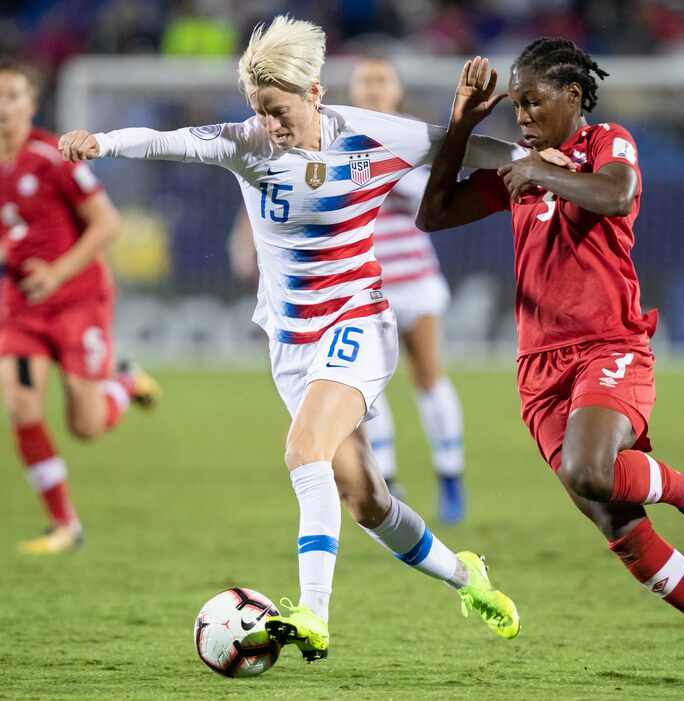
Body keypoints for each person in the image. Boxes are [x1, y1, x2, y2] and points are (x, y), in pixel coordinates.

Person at [59, 16, 522, 661]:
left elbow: (464, 149)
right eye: (259, 112)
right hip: (292, 343)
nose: (270, 125)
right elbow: (163, 141)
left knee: (303, 450)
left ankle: (313, 612)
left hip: (358, 319)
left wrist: (540, 163)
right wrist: (101, 143)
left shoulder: (371, 134)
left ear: (313, 92)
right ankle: (467, 577)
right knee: (365, 499)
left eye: (278, 111)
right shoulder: (247, 143)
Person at [416, 41, 684, 684]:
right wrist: (464, 125)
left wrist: (543, 171)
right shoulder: (519, 169)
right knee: (610, 513)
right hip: (538, 368)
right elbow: (433, 213)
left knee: (589, 466)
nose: (521, 115)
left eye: (533, 101)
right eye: (516, 104)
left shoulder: (605, 143)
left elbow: (618, 193)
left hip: (610, 346)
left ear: (574, 96)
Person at [228, 55, 467, 523]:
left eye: (383, 79)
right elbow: (277, 179)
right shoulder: (333, 135)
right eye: (366, 81)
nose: (375, 88)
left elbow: (434, 193)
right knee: (362, 395)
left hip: (411, 277)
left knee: (428, 374)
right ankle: (389, 480)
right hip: (348, 282)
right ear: (352, 91)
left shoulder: (409, 137)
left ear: (397, 89)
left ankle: (450, 475)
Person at [0, 57, 160, 555]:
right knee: (21, 404)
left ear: (31, 103)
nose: (2, 108)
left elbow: (106, 225)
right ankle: (64, 525)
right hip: (22, 305)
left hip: (77, 300)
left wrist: (56, 273)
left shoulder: (52, 157)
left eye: (12, 96)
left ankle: (124, 381)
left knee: (85, 425)